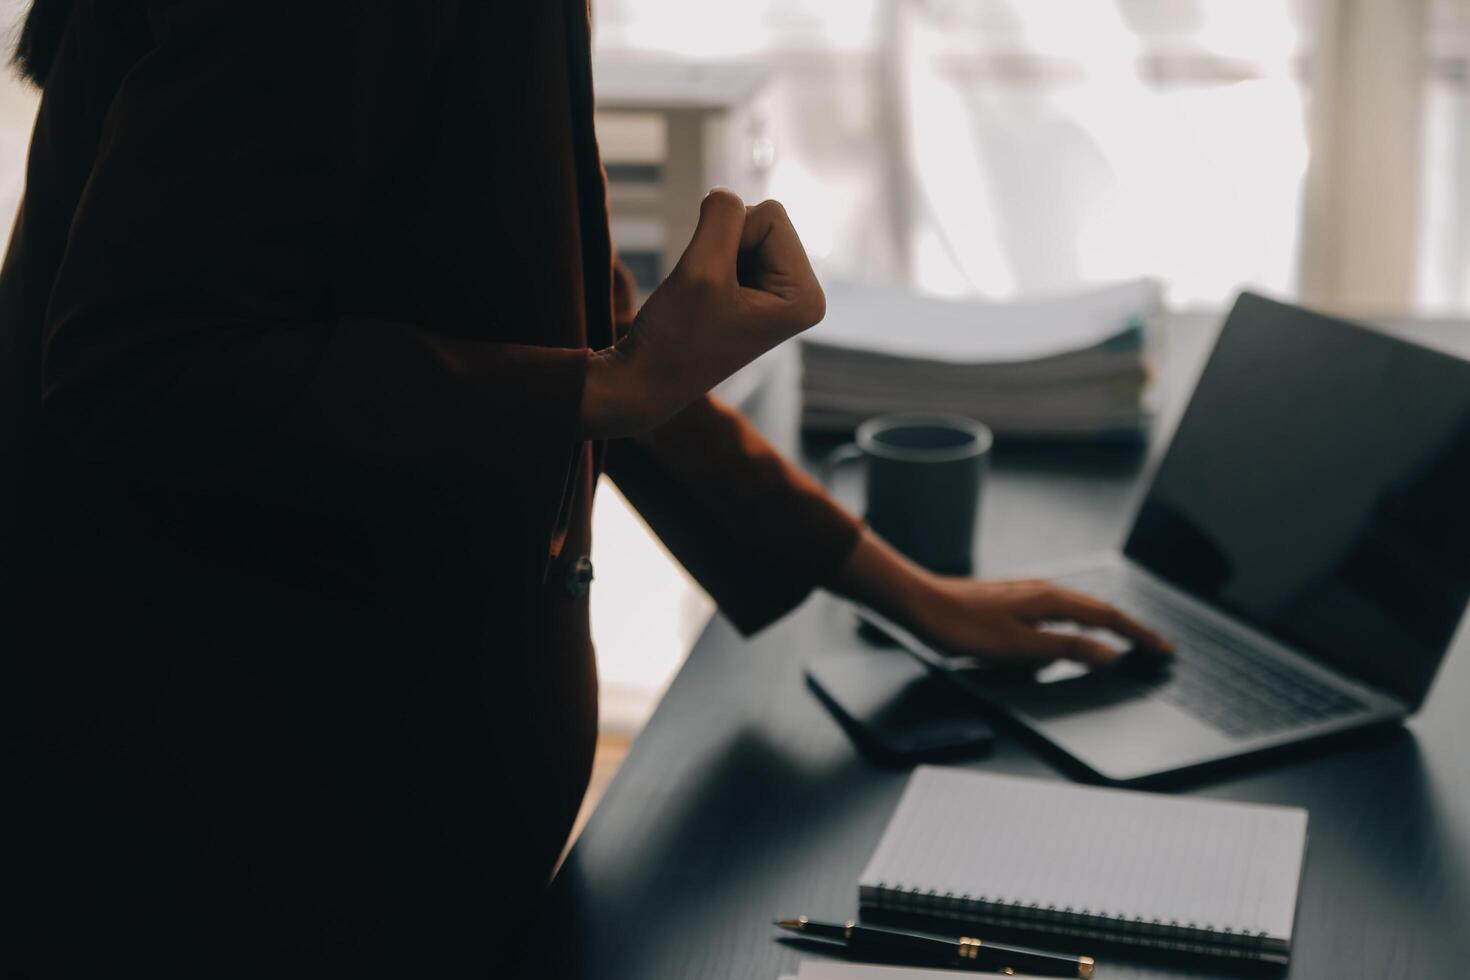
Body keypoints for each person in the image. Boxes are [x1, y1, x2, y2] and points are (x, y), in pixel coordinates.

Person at [0, 1, 1170, 975]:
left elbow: (571, 312)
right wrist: (602, 392)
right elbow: (138, 365)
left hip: (357, 803)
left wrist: (897, 584)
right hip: (235, 826)